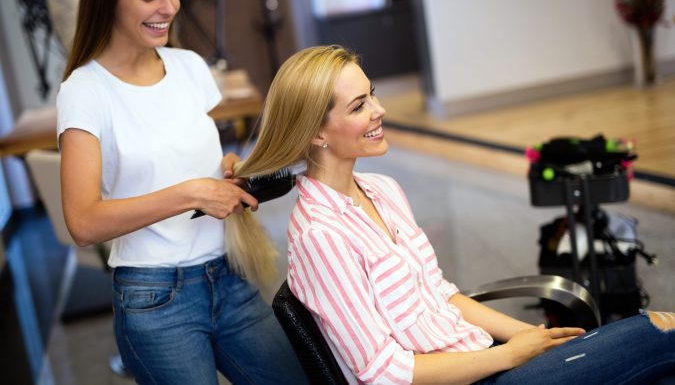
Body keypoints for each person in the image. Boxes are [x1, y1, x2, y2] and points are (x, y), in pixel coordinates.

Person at [227, 45, 675, 384]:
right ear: (316, 134)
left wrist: (531, 338)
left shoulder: (383, 190)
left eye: (372, 95)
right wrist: (511, 355)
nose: (380, 110)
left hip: (483, 360)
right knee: (660, 332)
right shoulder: (321, 237)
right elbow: (381, 373)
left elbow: (440, 293)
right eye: (358, 105)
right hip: (476, 376)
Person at [56, 0, 308, 384]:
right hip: (155, 300)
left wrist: (222, 169)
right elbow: (83, 222)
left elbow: (182, 154)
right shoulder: (84, 91)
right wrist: (189, 193)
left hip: (230, 275)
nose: (168, 8)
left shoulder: (189, 66)